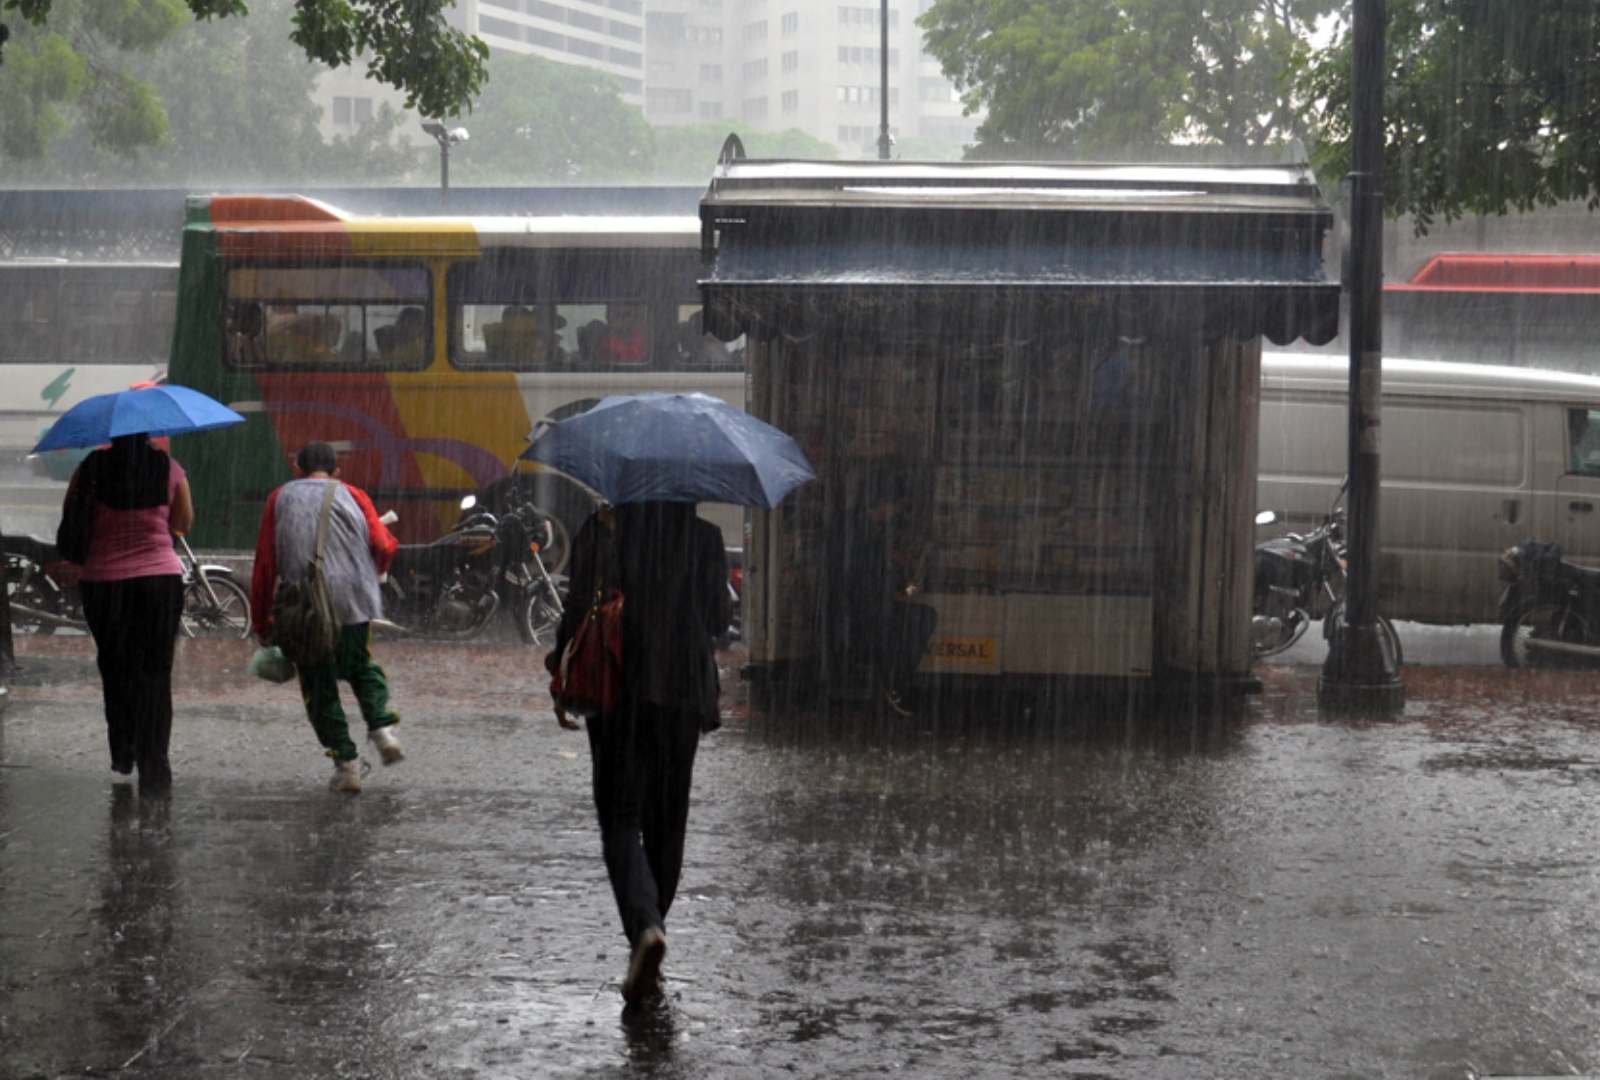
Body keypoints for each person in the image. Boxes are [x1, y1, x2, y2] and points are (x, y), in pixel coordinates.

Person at [546, 501, 731, 1006]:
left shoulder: (602, 528)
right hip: (683, 691)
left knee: (621, 818)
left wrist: (558, 673)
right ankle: (651, 934)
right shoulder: (705, 537)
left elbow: (578, 607)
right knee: (668, 822)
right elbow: (720, 616)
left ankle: (645, 929)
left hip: (617, 683)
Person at [250, 442, 403, 794]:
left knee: (318, 684)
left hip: (305, 606)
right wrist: (372, 571)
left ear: (298, 468)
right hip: (352, 600)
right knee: (361, 667)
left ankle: (346, 765)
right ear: (336, 471)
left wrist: (261, 622)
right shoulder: (354, 495)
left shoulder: (279, 498)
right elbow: (383, 545)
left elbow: (265, 563)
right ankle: (381, 728)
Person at [69, 433, 194, 793]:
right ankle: (155, 764)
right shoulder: (170, 470)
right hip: (158, 582)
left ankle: (124, 751)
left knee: (115, 666)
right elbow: (184, 521)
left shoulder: (90, 468)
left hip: (104, 583)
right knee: (156, 673)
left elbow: (72, 518)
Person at [828, 469, 938, 717]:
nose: (896, 511)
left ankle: (893, 682)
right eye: (896, 505)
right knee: (923, 619)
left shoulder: (853, 525)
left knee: (915, 619)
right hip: (862, 610)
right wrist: (901, 591)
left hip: (857, 607)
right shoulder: (865, 532)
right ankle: (895, 684)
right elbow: (866, 577)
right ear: (883, 503)